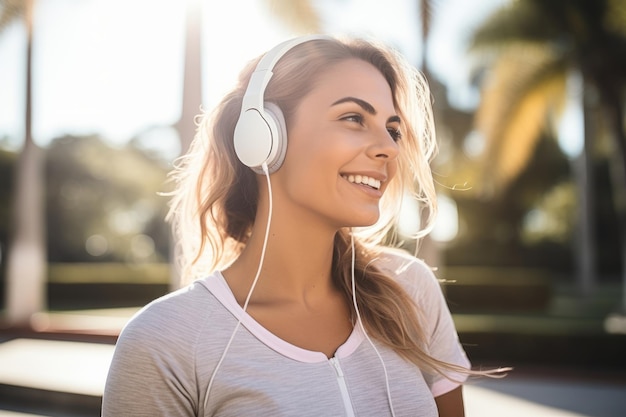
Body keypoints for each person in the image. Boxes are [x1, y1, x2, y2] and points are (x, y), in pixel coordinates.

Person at [102, 34, 497, 416]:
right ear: (265, 137)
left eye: (392, 130)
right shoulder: (163, 341)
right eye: (354, 117)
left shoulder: (410, 290)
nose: (390, 148)